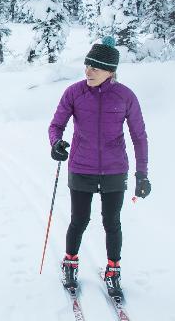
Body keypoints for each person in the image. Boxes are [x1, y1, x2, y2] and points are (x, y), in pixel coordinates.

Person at [47, 36, 150, 299]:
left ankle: (113, 270)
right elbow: (56, 125)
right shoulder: (74, 93)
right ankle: (70, 262)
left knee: (111, 222)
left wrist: (142, 174)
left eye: (95, 67)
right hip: (81, 167)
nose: (88, 71)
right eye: (87, 65)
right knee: (79, 220)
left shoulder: (126, 96)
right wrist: (56, 143)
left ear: (110, 71)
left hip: (115, 170)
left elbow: (139, 135)